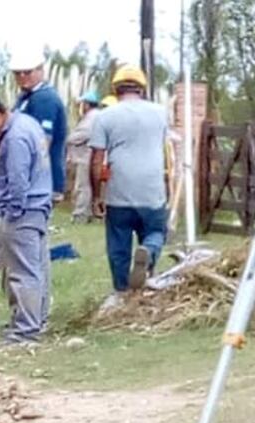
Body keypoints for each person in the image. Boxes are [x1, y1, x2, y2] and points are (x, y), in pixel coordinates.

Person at [0, 94, 53, 345]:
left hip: (22, 211)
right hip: (38, 207)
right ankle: (37, 320)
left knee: (21, 273)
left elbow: (17, 181)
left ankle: (25, 331)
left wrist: (12, 214)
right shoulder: (28, 124)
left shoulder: (14, 139)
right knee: (37, 270)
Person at [90, 65, 170, 313]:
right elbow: (165, 148)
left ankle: (121, 291)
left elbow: (96, 160)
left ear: (115, 88)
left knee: (118, 242)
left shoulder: (104, 117)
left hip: (119, 190)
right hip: (152, 188)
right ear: (142, 88)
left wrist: (96, 196)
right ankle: (148, 256)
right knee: (156, 231)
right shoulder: (160, 113)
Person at [10, 46, 68, 202]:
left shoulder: (44, 99)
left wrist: (27, 176)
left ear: (41, 70)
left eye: (27, 72)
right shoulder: (25, 97)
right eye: (17, 73)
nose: (22, 76)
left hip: (40, 180)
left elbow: (42, 141)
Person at [66, 90, 101, 223]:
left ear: (87, 104)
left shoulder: (92, 117)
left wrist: (68, 138)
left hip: (85, 156)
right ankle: (85, 213)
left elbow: (82, 135)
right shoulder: (92, 116)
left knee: (83, 186)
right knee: (84, 186)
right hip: (85, 156)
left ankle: (81, 214)